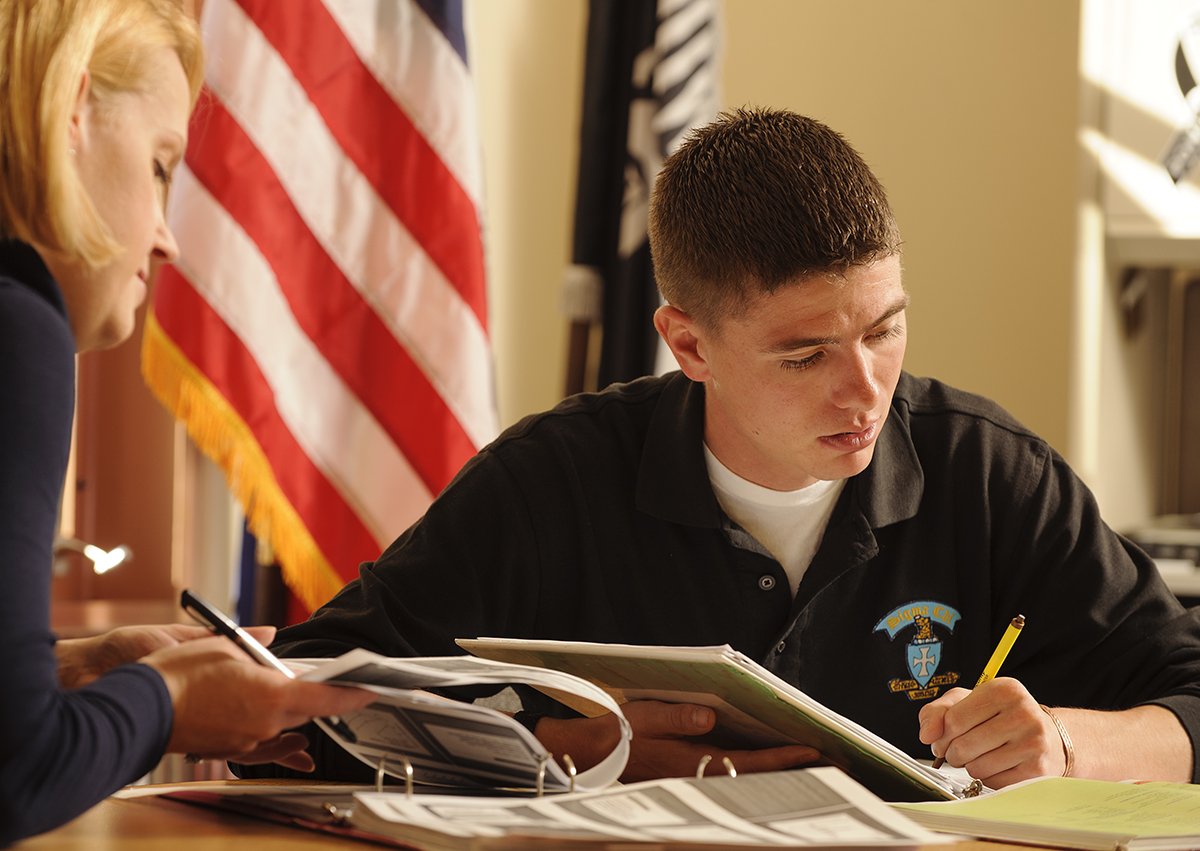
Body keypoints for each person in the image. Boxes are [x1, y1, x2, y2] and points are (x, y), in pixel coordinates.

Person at [248, 107, 1200, 790]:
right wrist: (559, 743)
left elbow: (1188, 700)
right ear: (689, 343)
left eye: (884, 330)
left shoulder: (989, 474)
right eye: (805, 353)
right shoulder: (552, 481)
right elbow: (289, 701)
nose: (866, 390)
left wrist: (1069, 745)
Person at [0, 0, 374, 844]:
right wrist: (169, 701)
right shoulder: (21, 328)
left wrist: (70, 668)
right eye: (162, 165)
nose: (167, 239)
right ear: (70, 114)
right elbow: (15, 772)